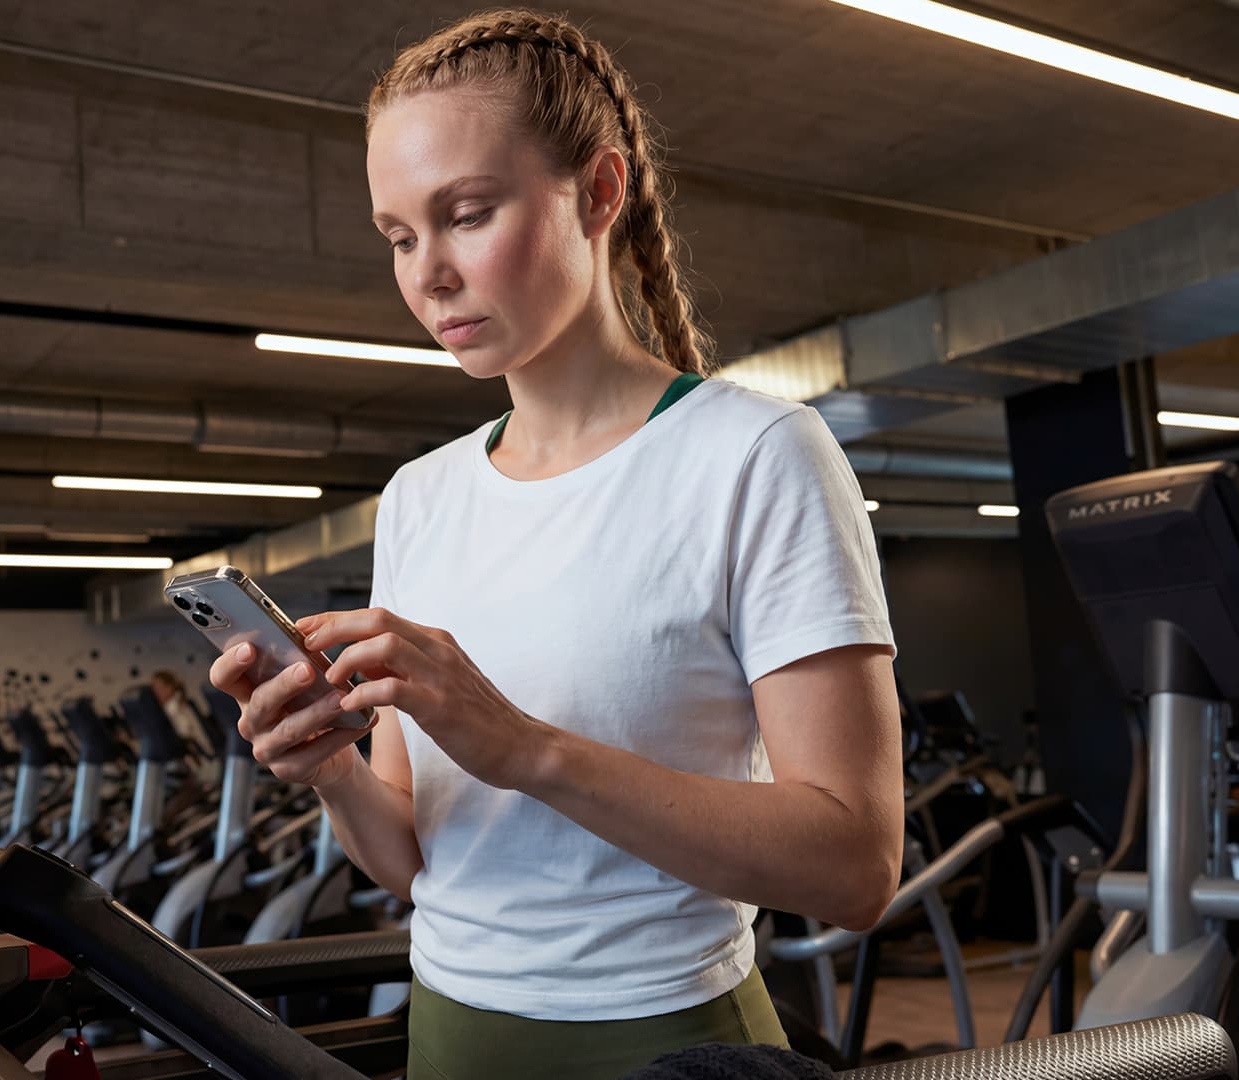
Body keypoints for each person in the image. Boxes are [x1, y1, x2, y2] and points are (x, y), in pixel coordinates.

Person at [209, 10, 904, 1079]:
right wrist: (333, 770)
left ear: (600, 192)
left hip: (672, 1049)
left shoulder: (756, 454)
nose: (427, 275)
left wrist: (526, 747)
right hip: (450, 1040)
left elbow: (857, 864)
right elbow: (411, 860)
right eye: (399, 237)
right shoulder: (420, 498)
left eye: (468, 215)